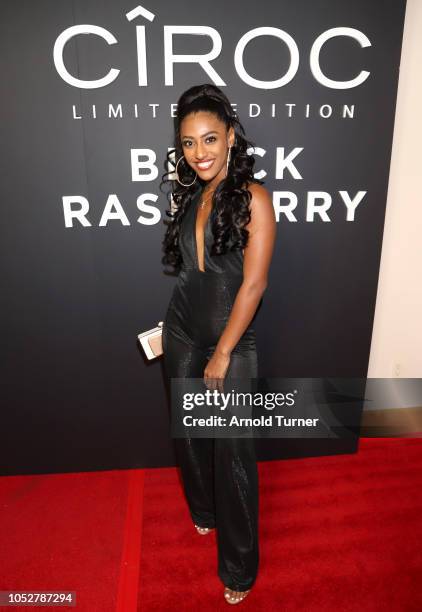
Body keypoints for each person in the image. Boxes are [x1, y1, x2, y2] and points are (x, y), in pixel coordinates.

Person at [160, 83, 276, 605]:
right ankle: (203, 513)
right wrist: (173, 329)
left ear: (231, 137)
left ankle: (238, 568)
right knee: (188, 433)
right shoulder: (191, 195)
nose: (200, 152)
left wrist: (225, 350)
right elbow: (190, 273)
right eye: (188, 143)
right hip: (181, 328)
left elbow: (253, 284)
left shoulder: (254, 197)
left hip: (231, 340)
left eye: (210, 139)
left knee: (232, 454)